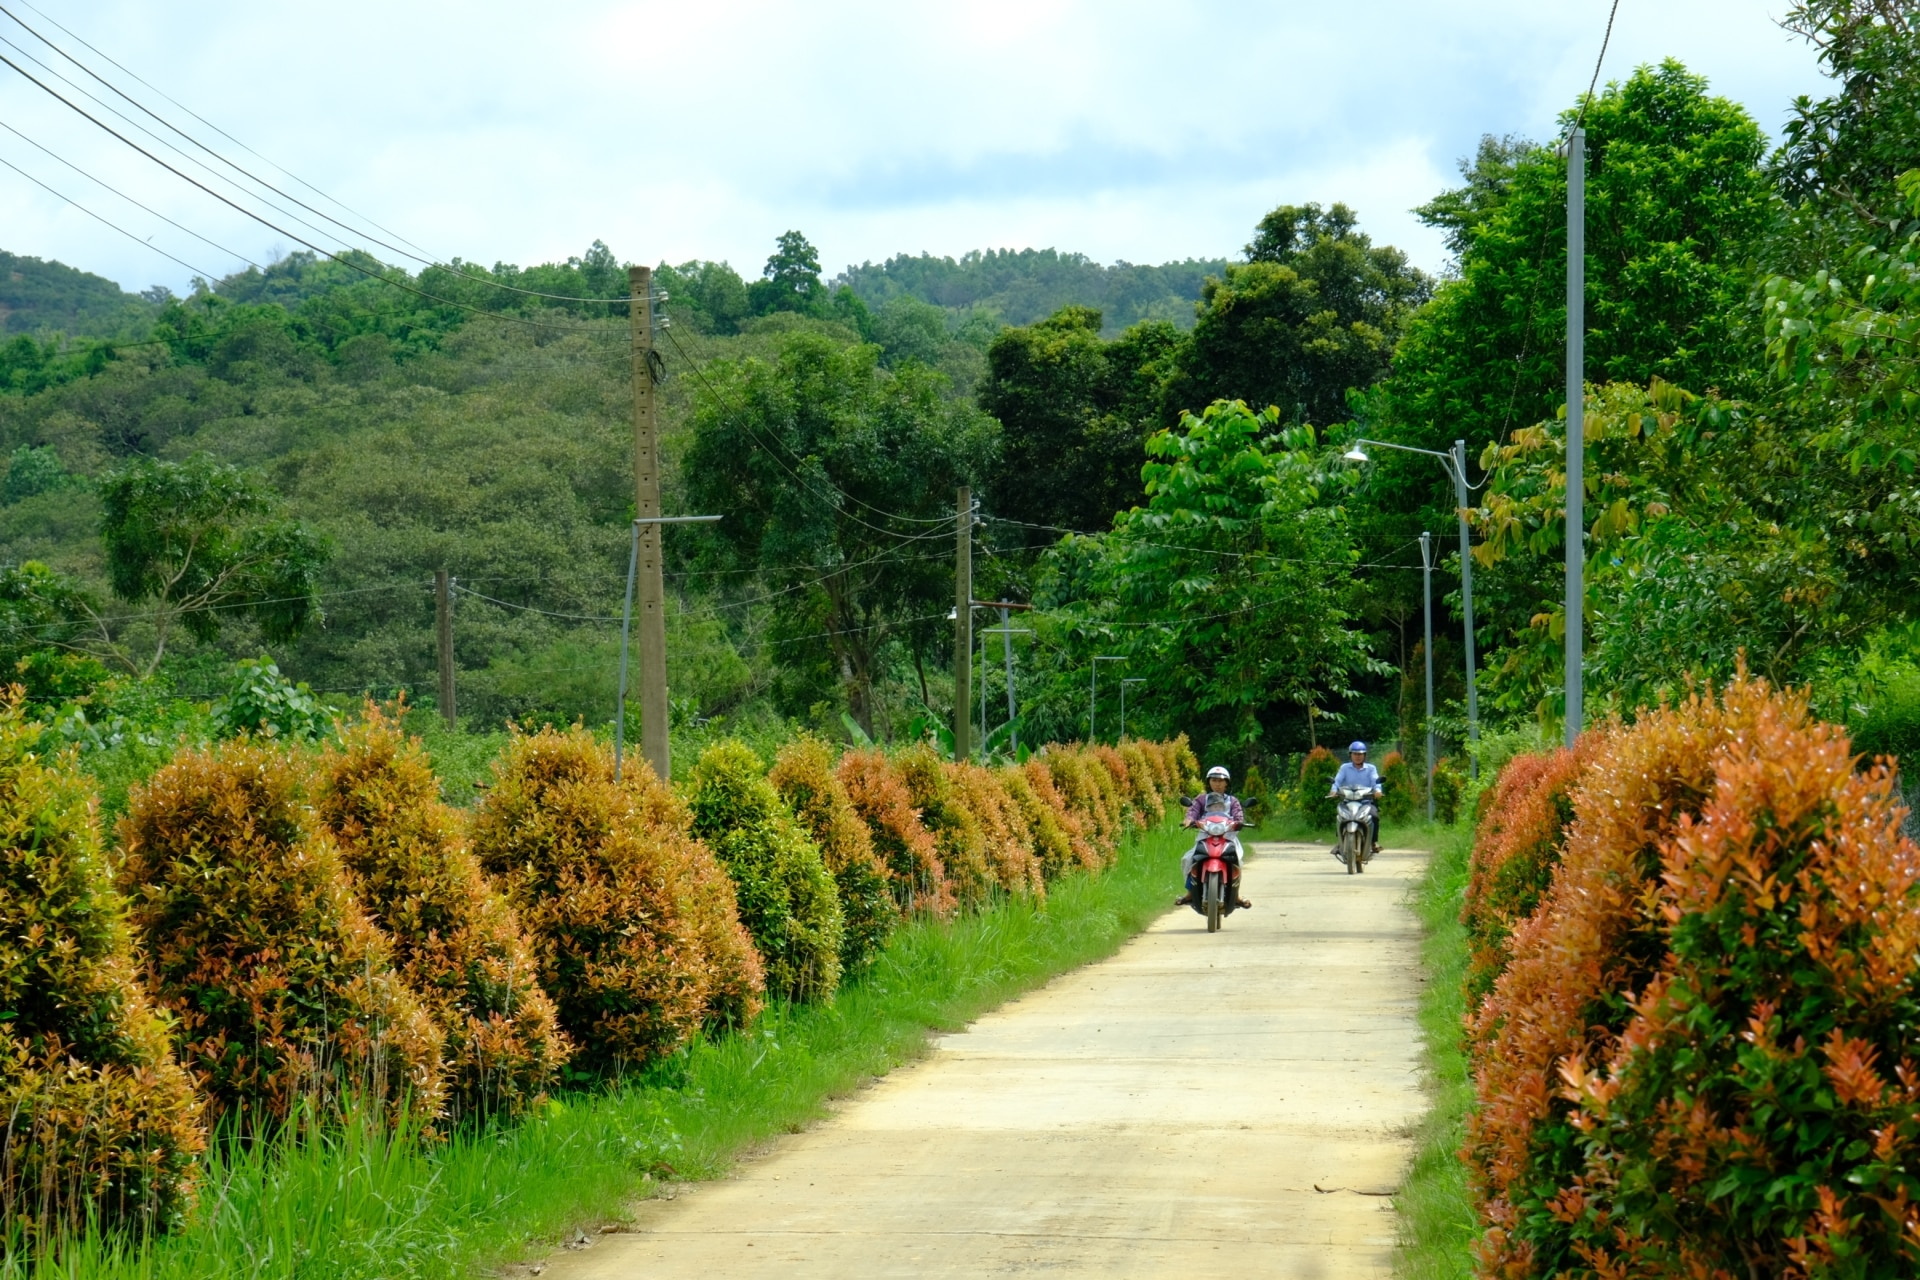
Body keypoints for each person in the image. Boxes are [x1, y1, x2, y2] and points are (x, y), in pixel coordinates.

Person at [1176, 765, 1251, 908]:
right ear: (1209, 782)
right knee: (1188, 859)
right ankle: (1190, 892)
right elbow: (1192, 812)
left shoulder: (1232, 801)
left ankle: (1236, 895)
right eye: (1214, 780)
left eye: (1221, 781)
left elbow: (1238, 815)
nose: (1217, 784)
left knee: (1238, 862)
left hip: (1228, 838)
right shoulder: (1201, 799)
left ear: (1226, 783)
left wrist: (1239, 823)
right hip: (1205, 837)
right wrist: (1188, 820)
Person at [1328, 741, 1383, 858]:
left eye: (1360, 754)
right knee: (1340, 817)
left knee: (1374, 816)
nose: (1357, 757)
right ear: (1350, 755)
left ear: (1364, 755)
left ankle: (1373, 842)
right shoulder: (1344, 768)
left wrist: (1378, 791)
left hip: (1365, 802)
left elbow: (1375, 781)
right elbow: (1337, 781)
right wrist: (1333, 790)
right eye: (1355, 754)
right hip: (1348, 801)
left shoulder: (1371, 768)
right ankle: (1340, 843)